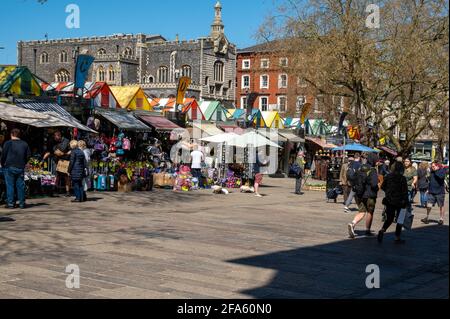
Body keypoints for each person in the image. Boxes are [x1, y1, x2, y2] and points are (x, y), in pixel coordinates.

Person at [347, 153, 379, 238]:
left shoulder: (361, 167)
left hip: (359, 194)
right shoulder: (372, 170)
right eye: (377, 160)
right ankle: (368, 230)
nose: (377, 162)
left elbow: (354, 178)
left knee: (361, 211)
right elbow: (374, 184)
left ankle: (352, 223)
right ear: (373, 160)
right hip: (370, 195)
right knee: (370, 212)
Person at [377, 161, 409, 244]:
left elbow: (383, 187)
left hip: (389, 201)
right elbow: (405, 192)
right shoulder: (402, 178)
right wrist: (407, 203)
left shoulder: (388, 176)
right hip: (401, 202)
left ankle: (382, 230)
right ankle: (397, 237)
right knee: (400, 220)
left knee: (389, 219)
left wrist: (389, 192)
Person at [0, 129, 31, 209]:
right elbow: (28, 156)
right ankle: (22, 203)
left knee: (10, 186)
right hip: (20, 167)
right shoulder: (24, 144)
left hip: (9, 167)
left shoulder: (7, 143)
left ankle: (10, 204)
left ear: (11, 134)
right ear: (19, 135)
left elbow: (3, 155)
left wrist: (3, 164)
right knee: (20, 186)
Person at [44, 131, 71, 196]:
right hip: (56, 160)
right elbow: (55, 151)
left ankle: (68, 192)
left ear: (59, 136)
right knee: (55, 175)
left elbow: (62, 150)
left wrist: (62, 153)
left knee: (66, 176)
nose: (54, 138)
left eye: (55, 137)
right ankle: (53, 190)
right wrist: (57, 151)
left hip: (65, 160)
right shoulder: (53, 141)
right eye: (54, 137)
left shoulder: (66, 141)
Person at [422, 161, 447, 225]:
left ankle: (441, 219)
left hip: (440, 192)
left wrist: (437, 170)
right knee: (428, 205)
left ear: (437, 166)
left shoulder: (442, 171)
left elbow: (441, 177)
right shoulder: (432, 171)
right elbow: (431, 181)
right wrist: (428, 189)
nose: (432, 167)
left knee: (441, 206)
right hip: (431, 191)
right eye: (431, 166)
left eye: (433, 166)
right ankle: (427, 217)